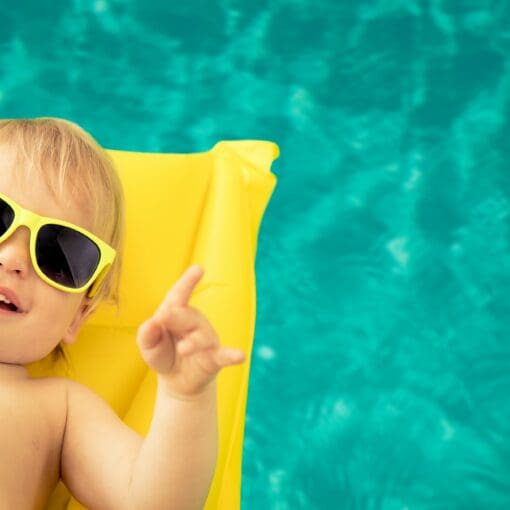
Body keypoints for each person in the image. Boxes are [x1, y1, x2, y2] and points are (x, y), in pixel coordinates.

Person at [0, 117, 246, 509]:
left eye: (59, 253)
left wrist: (185, 397)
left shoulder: (59, 411)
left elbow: (153, 502)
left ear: (79, 315)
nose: (13, 258)